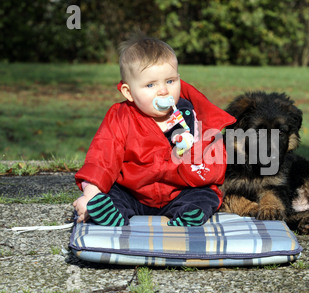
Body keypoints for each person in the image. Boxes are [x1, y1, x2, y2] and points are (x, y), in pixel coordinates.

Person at [72, 34, 235, 227]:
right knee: (111, 193)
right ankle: (108, 212)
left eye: (170, 81)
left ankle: (190, 215)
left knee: (205, 195)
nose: (163, 91)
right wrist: (90, 195)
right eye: (150, 85)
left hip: (178, 191)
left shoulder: (190, 116)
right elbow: (102, 158)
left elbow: (211, 159)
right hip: (133, 192)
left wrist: (193, 151)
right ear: (128, 92)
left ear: (179, 79)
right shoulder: (122, 116)